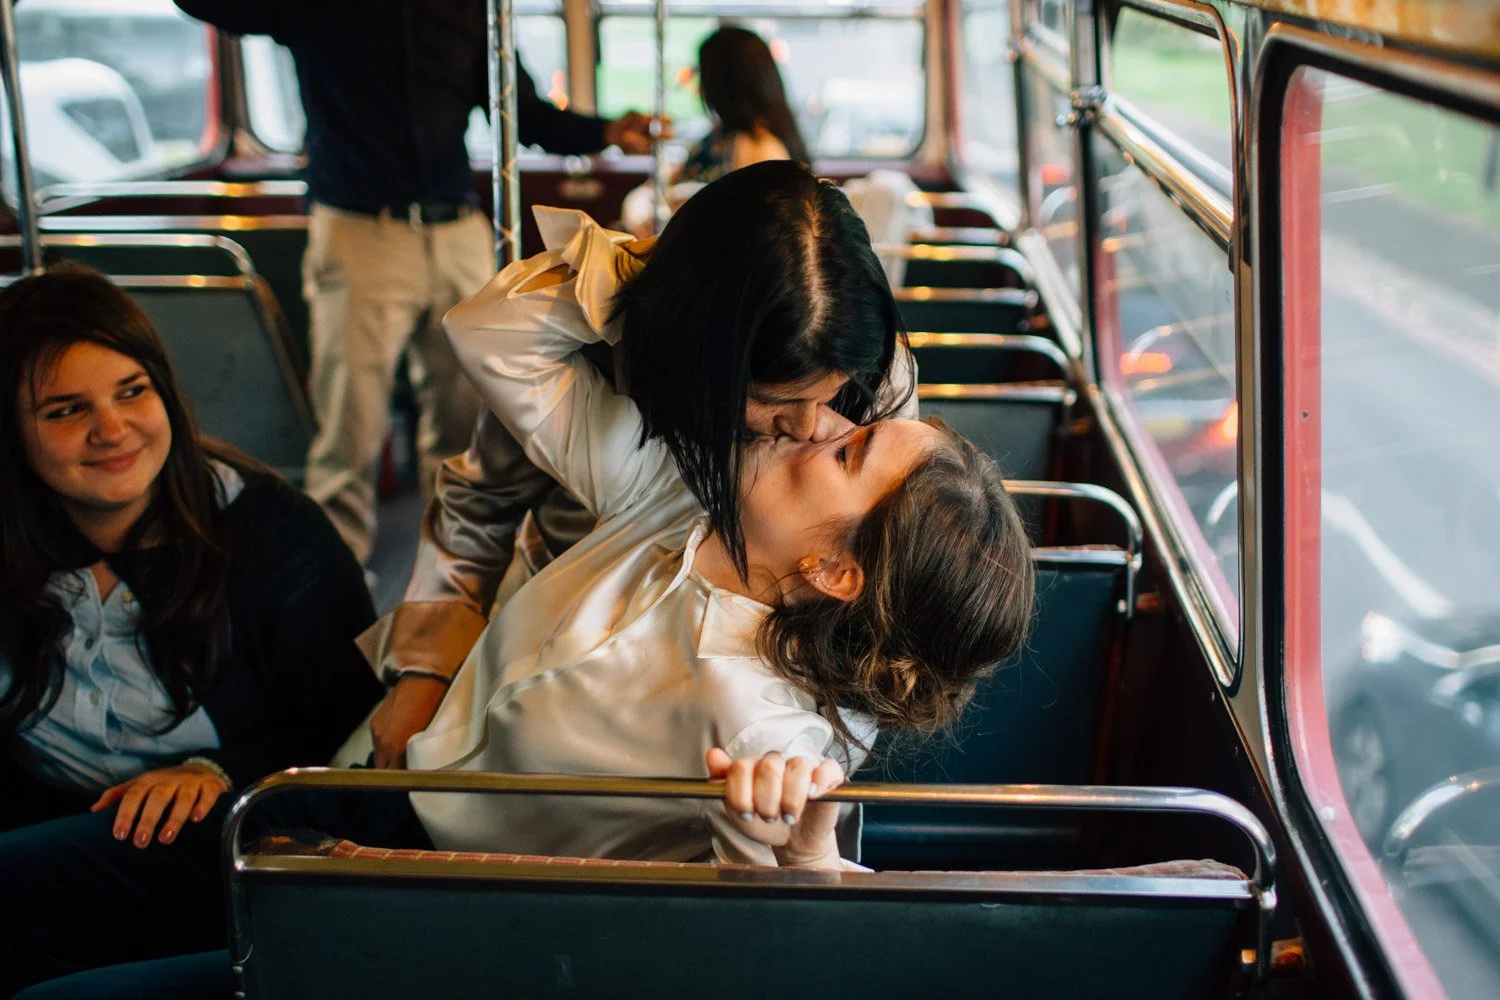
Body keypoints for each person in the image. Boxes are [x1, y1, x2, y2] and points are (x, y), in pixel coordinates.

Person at [361, 157, 920, 769]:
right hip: (556, 635)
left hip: (748, 680)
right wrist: (426, 669)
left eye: (827, 396)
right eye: (774, 400)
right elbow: (480, 503)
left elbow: (877, 573)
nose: (815, 427)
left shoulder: (872, 382)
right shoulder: (591, 369)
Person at [0, 265, 384, 996]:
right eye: (64, 410)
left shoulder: (273, 533)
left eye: (131, 392)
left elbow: (352, 733)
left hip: (233, 831)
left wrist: (217, 768)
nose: (111, 431)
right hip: (46, 815)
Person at [172, 0, 662, 566]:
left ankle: (452, 570)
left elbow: (520, 112)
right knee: (349, 429)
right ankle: (335, 579)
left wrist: (605, 130)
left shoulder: (468, 8)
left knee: (471, 420)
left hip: (456, 229)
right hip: (361, 230)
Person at [622, 24, 809, 237]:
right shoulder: (719, 137)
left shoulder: (761, 149)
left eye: (703, 75)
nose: (699, 86)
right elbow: (658, 187)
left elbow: (749, 232)